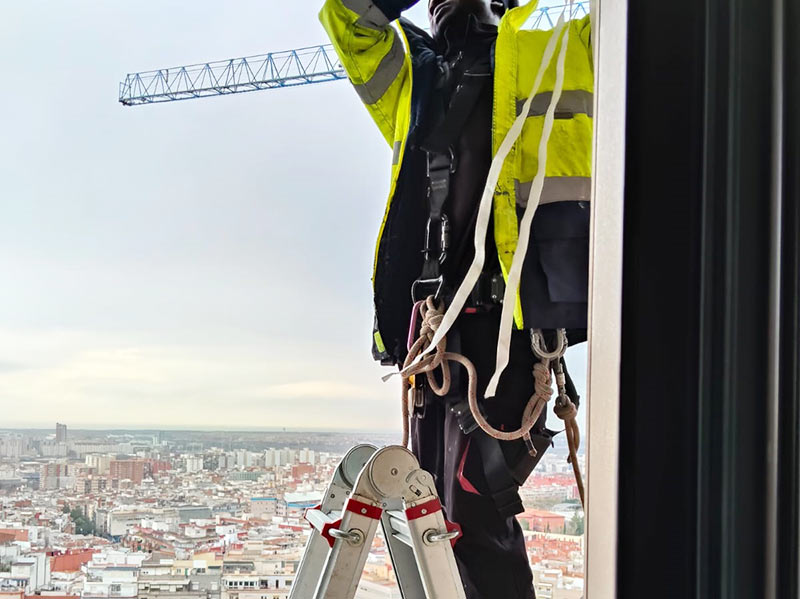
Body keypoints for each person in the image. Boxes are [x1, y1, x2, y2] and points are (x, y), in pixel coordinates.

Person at [320, 1, 592, 597]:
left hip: (508, 328)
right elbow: (348, 17)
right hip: (436, 331)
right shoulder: (416, 71)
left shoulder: (561, 54)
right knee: (437, 511)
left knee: (477, 506)